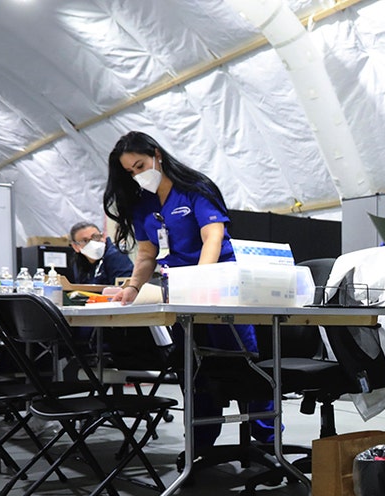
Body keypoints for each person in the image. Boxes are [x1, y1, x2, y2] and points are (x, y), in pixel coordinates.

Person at [102, 130, 273, 449]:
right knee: (194, 369)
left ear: (157, 154)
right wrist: (131, 287)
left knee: (241, 363)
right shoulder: (143, 206)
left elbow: (213, 238)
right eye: (130, 172)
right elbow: (146, 255)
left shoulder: (195, 189)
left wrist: (202, 281)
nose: (138, 175)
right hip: (181, 295)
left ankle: (266, 441)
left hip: (221, 290)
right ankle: (201, 444)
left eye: (140, 165)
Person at [67, 221, 134, 286]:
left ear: (104, 237)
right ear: (75, 247)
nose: (92, 243)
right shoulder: (78, 261)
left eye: (96, 237)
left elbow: (125, 287)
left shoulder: (115, 256)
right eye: (85, 241)